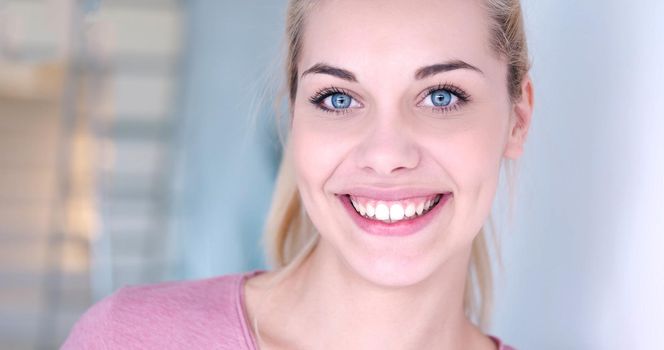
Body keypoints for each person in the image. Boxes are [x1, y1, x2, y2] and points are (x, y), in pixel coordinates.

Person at [63, 0, 534, 348]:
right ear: (294, 117)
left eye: (441, 96)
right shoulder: (127, 338)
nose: (386, 153)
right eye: (338, 99)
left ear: (517, 118)